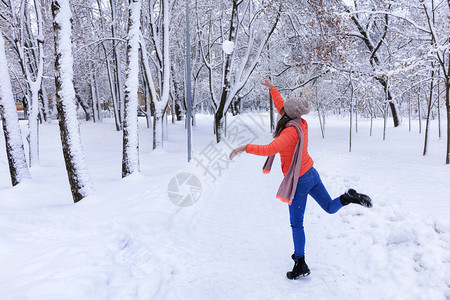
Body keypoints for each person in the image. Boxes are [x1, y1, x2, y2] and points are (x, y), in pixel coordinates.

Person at [229, 78, 372, 280]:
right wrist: (272, 89)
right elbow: (282, 105)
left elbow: (270, 149)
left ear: (288, 113)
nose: (282, 109)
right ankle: (348, 197)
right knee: (330, 207)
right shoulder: (300, 123)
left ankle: (300, 263)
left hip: (300, 181)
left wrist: (244, 148)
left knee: (297, 224)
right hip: (312, 173)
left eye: (285, 108)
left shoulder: (289, 132)